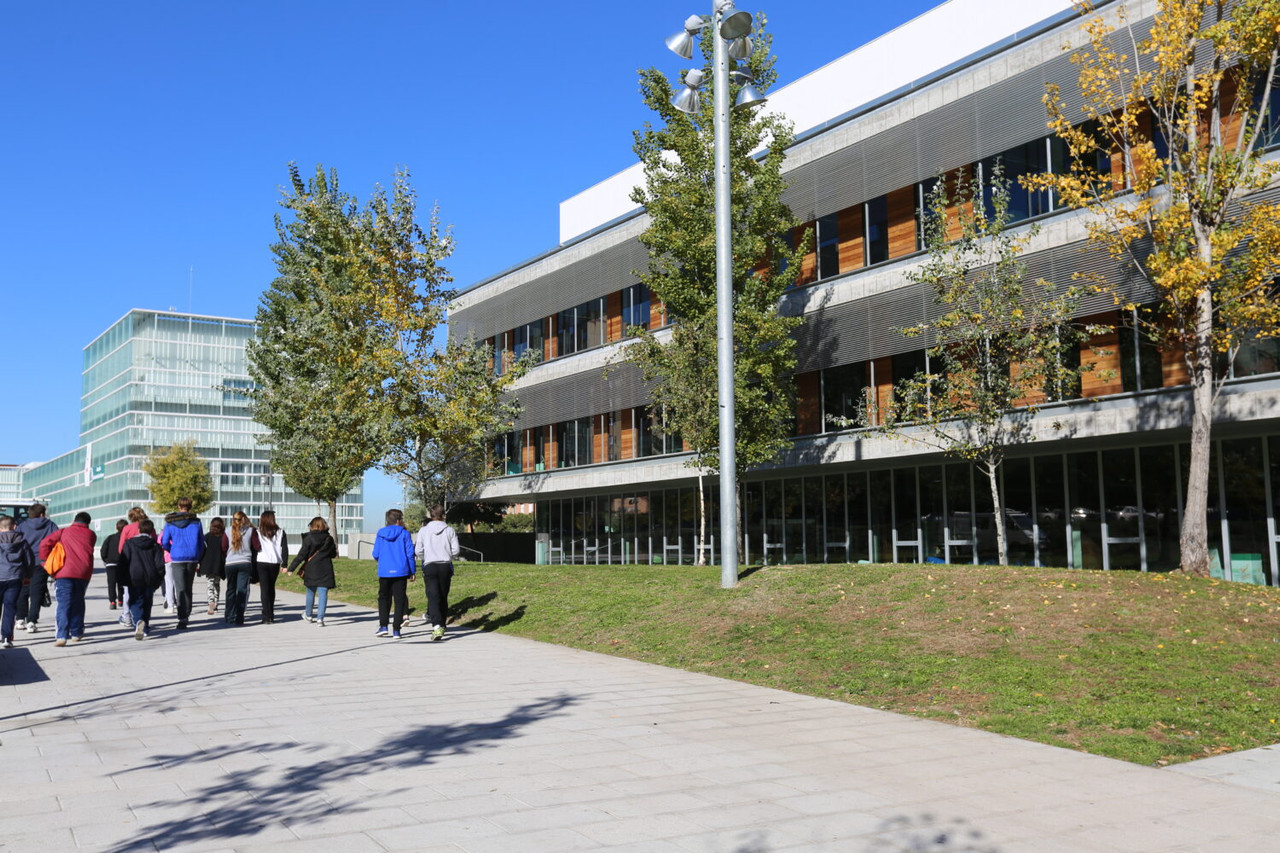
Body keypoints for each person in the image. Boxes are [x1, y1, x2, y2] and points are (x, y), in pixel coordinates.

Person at [41, 511, 97, 646]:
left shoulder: (63, 532)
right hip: (83, 573)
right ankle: (77, 633)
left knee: (64, 603)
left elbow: (44, 544)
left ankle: (62, 635)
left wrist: (45, 562)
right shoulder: (91, 534)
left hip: (64, 572)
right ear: (88, 523)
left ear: (74, 520)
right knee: (78, 601)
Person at [415, 505, 460, 642]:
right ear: (443, 515)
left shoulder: (423, 530)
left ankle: (437, 625)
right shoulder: (450, 530)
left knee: (433, 596)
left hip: (430, 565)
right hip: (445, 566)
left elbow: (418, 550)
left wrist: (426, 556)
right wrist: (447, 554)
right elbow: (456, 550)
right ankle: (443, 623)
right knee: (443, 595)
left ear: (431, 515)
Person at [161, 498, 205, 630]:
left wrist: (171, 550)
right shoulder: (196, 522)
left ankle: (182, 618)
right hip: (192, 557)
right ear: (190, 507)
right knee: (188, 587)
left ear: (179, 506)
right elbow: (201, 541)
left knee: (180, 588)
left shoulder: (170, 522)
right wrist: (198, 555)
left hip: (177, 557)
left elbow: (164, 541)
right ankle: (187, 613)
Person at [371, 508, 415, 639]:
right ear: (398, 520)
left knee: (384, 598)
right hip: (401, 571)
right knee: (399, 599)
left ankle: (383, 626)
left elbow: (375, 554)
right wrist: (412, 571)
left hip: (384, 571)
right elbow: (410, 554)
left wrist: (384, 561)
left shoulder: (380, 533)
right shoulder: (405, 534)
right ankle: (397, 629)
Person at [120, 518, 165, 640]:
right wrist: (159, 578)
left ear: (138, 530)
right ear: (151, 531)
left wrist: (122, 578)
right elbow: (160, 564)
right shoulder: (155, 545)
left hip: (133, 577)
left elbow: (124, 562)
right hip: (150, 578)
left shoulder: (129, 543)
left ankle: (139, 621)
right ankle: (145, 625)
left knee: (135, 601)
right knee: (147, 602)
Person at [16, 504, 58, 633]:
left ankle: (20, 619)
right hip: (42, 563)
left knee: (22, 591)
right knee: (37, 592)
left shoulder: (22, 525)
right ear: (42, 514)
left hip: (24, 563)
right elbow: (57, 541)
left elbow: (16, 541)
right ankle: (32, 621)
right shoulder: (51, 525)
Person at [288, 516, 337, 626]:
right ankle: (320, 619)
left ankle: (309, 615)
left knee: (310, 592)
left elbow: (302, 555)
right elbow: (333, 554)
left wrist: (291, 568)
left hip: (311, 568)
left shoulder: (309, 538)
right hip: (325, 568)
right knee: (323, 593)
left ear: (312, 526)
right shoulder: (329, 538)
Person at [0, 515, 31, 649]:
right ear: (14, 527)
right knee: (10, 608)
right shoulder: (22, 541)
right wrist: (27, 576)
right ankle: (6, 638)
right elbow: (28, 560)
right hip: (15, 577)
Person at [224, 511, 259, 625]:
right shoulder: (250, 530)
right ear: (244, 519)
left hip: (230, 563)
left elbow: (223, 547)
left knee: (231, 590)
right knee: (242, 590)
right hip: (245, 562)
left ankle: (229, 615)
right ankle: (240, 616)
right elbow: (257, 546)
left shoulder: (228, 531)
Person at [255, 510, 287, 623]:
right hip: (275, 562)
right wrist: (285, 564)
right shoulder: (280, 532)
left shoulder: (258, 532)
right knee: (271, 588)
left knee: (264, 589)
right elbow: (285, 549)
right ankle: (271, 615)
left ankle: (266, 616)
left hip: (261, 561)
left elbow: (255, 547)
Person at [200, 517, 228, 615]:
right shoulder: (224, 536)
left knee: (210, 584)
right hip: (219, 564)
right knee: (217, 584)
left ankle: (211, 601)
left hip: (209, 564)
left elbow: (202, 549)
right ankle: (216, 603)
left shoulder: (207, 536)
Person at [100, 519, 127, 610]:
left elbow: (103, 551)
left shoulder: (110, 538)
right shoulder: (127, 539)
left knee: (111, 583)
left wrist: (106, 559)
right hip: (122, 563)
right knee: (121, 582)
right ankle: (120, 600)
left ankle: (112, 602)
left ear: (116, 527)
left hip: (110, 564)